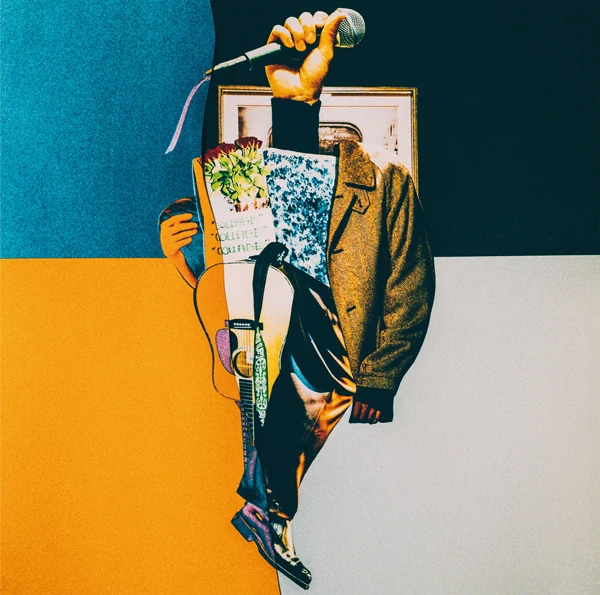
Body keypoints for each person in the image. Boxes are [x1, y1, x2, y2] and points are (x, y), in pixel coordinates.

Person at [160, 10, 435, 590]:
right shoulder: (257, 171)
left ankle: (267, 508)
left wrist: (380, 377)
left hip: (328, 331)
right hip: (269, 317)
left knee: (318, 379)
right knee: (278, 382)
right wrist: (183, 251)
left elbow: (409, 285)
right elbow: (238, 252)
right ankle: (268, 509)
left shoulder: (388, 181)